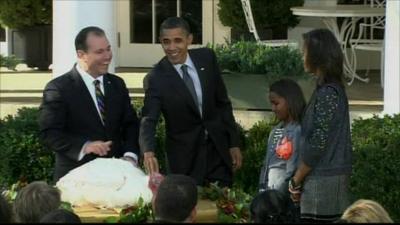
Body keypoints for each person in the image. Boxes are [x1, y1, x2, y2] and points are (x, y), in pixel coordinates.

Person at [139, 17, 242, 187]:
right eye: (166, 42)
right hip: (184, 160)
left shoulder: (207, 58)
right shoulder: (156, 78)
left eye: (178, 41)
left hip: (217, 152)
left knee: (223, 207)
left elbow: (222, 103)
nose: (172, 47)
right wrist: (148, 152)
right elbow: (149, 119)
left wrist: (233, 143)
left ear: (189, 39)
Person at [39, 26, 140, 182]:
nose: (108, 56)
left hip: (118, 178)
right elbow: (50, 133)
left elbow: (131, 124)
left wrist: (130, 156)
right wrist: (85, 146)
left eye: (108, 49)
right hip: (77, 180)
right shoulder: (59, 88)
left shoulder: (117, 84)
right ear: (81, 54)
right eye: (100, 52)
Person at [288, 28, 353, 223]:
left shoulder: (328, 94)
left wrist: (296, 179)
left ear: (317, 55)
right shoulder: (328, 91)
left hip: (324, 184)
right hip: (324, 180)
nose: (302, 56)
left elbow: (318, 143)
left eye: (304, 51)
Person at [259, 78, 305, 194]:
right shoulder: (275, 131)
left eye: (276, 103)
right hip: (269, 192)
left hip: (283, 195)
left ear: (290, 101)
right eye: (271, 104)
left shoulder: (298, 130)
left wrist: (285, 192)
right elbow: (266, 165)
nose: (273, 109)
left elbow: (292, 168)